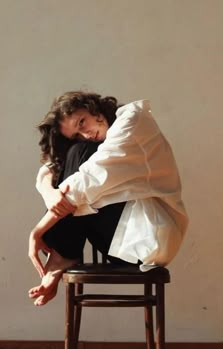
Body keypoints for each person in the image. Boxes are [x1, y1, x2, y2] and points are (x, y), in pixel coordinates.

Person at [28, 91, 188, 306]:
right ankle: (62, 255)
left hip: (146, 242)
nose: (85, 134)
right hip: (117, 241)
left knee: (80, 155)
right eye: (76, 133)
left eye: (82, 122)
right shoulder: (97, 145)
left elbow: (88, 181)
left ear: (94, 106)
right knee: (77, 153)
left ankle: (61, 256)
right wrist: (49, 193)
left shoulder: (133, 121)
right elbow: (50, 169)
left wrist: (38, 231)